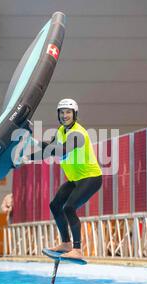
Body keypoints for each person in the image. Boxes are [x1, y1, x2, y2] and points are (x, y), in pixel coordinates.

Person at [25, 98, 102, 260]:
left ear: (75, 114)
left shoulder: (78, 134)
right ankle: (66, 243)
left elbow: (59, 151)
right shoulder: (61, 131)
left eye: (68, 112)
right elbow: (49, 150)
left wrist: (32, 139)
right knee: (55, 205)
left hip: (91, 177)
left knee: (69, 208)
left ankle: (77, 250)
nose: (65, 115)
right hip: (75, 179)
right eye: (62, 112)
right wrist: (26, 157)